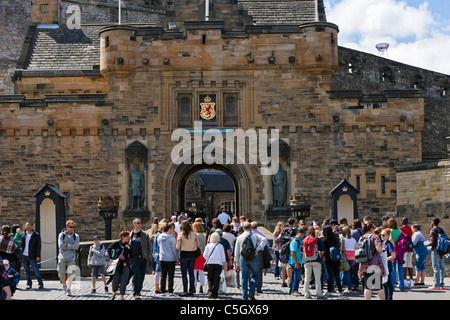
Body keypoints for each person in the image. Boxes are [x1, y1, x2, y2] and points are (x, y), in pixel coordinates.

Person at [234, 222, 268, 300]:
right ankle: (252, 292)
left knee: (244, 278)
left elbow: (236, 252)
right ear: (250, 229)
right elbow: (264, 240)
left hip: (243, 258)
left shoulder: (239, 237)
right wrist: (258, 249)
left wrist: (237, 263)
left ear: (243, 229)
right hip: (253, 257)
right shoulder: (255, 235)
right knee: (255, 275)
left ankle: (245, 297)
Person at [358, 223, 386, 300]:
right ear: (371, 229)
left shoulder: (362, 237)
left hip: (364, 263)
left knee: (368, 285)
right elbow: (379, 249)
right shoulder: (374, 237)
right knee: (378, 285)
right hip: (374, 264)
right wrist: (381, 250)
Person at [129, 218, 151, 299]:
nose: (140, 224)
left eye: (140, 223)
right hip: (134, 258)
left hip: (143, 258)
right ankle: (135, 293)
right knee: (136, 275)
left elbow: (149, 246)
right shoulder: (130, 235)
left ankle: (138, 290)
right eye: (138, 223)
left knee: (141, 276)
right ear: (134, 224)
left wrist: (147, 256)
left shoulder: (144, 234)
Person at [176, 220, 200, 296]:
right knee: (191, 273)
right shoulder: (194, 234)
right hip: (192, 255)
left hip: (184, 255)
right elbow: (198, 244)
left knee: (184, 274)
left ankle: (185, 290)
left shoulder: (181, 235)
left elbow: (177, 247)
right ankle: (191, 290)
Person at [57, 220, 80, 297]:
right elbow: (61, 246)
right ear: (67, 227)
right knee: (61, 273)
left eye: (73, 227)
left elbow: (76, 247)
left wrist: (67, 244)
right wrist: (71, 245)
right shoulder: (61, 235)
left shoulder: (76, 236)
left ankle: (69, 289)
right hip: (62, 257)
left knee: (71, 274)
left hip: (71, 257)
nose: (72, 228)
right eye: (71, 227)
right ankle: (64, 284)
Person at [302, 226, 326, 299]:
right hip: (316, 260)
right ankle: (319, 293)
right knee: (317, 278)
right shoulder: (318, 240)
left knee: (307, 278)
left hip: (307, 260)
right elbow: (322, 252)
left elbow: (301, 251)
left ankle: (306, 294)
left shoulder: (304, 240)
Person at [107, 230, 131, 300]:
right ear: (123, 237)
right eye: (127, 236)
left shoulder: (128, 245)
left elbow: (132, 254)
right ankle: (114, 293)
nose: (128, 237)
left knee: (124, 281)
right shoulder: (116, 243)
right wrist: (110, 257)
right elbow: (109, 249)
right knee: (115, 281)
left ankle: (122, 297)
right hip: (116, 265)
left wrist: (129, 249)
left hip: (125, 265)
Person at [203, 232, 227, 299]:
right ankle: (215, 293)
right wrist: (224, 266)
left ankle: (210, 290)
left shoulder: (208, 245)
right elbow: (223, 257)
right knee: (217, 278)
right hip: (218, 264)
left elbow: (204, 255)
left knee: (210, 278)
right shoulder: (220, 246)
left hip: (210, 263)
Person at [21, 221, 44, 290]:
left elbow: (38, 246)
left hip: (32, 255)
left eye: (29, 225)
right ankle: (29, 284)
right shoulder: (23, 234)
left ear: (32, 226)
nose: (28, 226)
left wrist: (38, 255)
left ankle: (40, 284)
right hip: (24, 255)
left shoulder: (36, 235)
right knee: (26, 271)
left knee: (36, 270)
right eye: (26, 225)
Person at [157, 223, 179, 296]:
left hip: (162, 258)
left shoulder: (159, 237)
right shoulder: (172, 238)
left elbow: (159, 246)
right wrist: (177, 258)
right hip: (171, 259)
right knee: (170, 276)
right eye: (172, 229)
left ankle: (162, 291)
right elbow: (174, 250)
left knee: (163, 275)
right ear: (169, 229)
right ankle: (170, 291)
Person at [322, 225, 343, 296]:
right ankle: (340, 290)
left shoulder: (324, 239)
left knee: (329, 275)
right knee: (337, 274)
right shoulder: (335, 238)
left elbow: (322, 249)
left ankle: (329, 290)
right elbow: (339, 245)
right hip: (336, 258)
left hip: (327, 258)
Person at [251, 221, 269, 294]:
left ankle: (252, 286)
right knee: (259, 271)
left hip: (251, 253)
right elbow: (267, 245)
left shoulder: (250, 235)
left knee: (251, 270)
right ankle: (259, 287)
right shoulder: (261, 234)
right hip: (260, 253)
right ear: (257, 227)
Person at [388, 218, 406, 291]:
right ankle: (401, 286)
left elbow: (389, 239)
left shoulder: (390, 231)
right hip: (400, 251)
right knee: (400, 268)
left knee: (393, 268)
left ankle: (392, 286)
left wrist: (394, 245)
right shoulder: (400, 231)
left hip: (393, 251)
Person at [428, 217, 445, 290]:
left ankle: (436, 284)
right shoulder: (441, 229)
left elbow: (432, 242)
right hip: (442, 250)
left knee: (435, 267)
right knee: (441, 267)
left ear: (433, 222)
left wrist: (426, 244)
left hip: (435, 250)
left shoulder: (433, 230)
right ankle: (441, 284)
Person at [289, 228, 305, 296]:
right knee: (297, 277)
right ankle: (294, 290)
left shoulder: (299, 240)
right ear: (298, 233)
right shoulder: (295, 241)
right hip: (295, 261)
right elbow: (293, 252)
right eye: (302, 234)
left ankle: (292, 290)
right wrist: (296, 262)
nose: (303, 235)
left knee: (295, 277)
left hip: (297, 261)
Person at [381, 228, 396, 300]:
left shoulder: (388, 244)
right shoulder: (382, 244)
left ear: (387, 236)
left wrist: (385, 259)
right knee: (384, 283)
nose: (382, 236)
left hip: (388, 266)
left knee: (388, 282)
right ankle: (385, 297)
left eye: (383, 235)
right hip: (383, 266)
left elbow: (393, 256)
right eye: (381, 235)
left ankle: (390, 297)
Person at [340, 226, 356, 293]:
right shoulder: (354, 240)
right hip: (352, 257)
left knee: (345, 272)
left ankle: (348, 288)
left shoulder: (343, 240)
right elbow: (355, 249)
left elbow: (341, 249)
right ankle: (341, 287)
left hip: (345, 257)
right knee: (346, 272)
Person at [399, 217, 414, 287]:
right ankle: (411, 280)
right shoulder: (410, 229)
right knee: (410, 264)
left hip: (404, 248)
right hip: (410, 248)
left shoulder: (401, 229)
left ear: (402, 222)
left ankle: (404, 280)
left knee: (404, 265)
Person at [193, 221, 207, 293]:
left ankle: (194, 285)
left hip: (196, 254)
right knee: (201, 271)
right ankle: (201, 286)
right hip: (203, 254)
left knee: (194, 271)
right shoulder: (204, 235)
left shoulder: (195, 235)